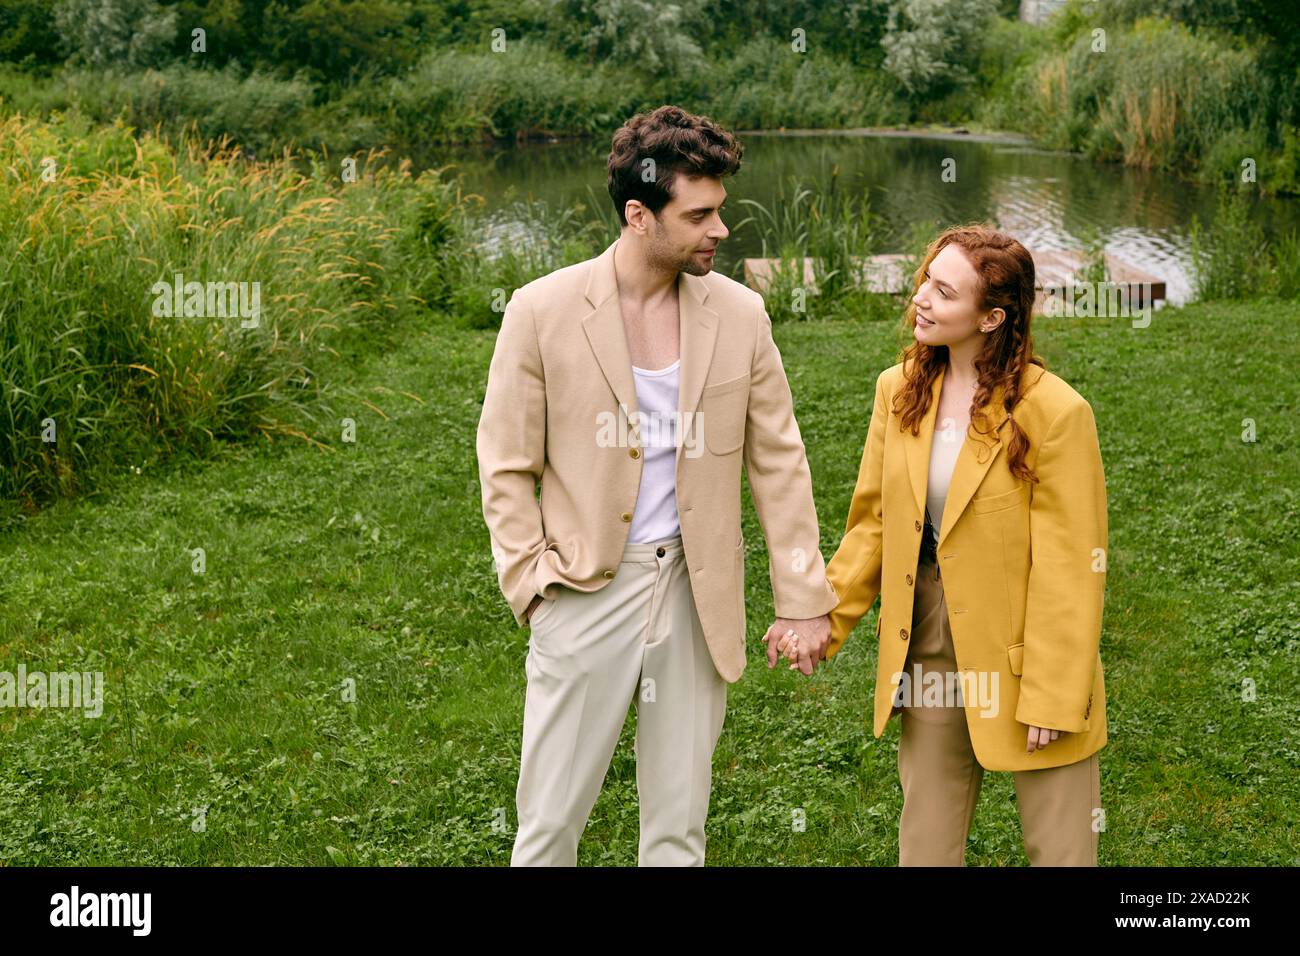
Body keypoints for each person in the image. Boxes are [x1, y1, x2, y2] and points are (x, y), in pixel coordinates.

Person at [475, 105, 838, 867]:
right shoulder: (540, 311)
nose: (720, 231)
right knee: (548, 826)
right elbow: (506, 464)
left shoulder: (742, 315)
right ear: (640, 215)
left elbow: (779, 461)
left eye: (721, 211)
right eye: (700, 214)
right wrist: (532, 582)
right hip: (583, 589)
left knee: (678, 829)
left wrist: (803, 597)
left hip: (696, 592)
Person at [801, 224, 1108, 866]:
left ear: (992, 317)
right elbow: (875, 522)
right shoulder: (899, 390)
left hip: (1028, 648)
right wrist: (825, 619)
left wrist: (1052, 689)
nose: (923, 299)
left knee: (1060, 851)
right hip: (930, 639)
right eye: (926, 282)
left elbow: (1071, 564)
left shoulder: (1056, 412)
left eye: (945, 292)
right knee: (926, 846)